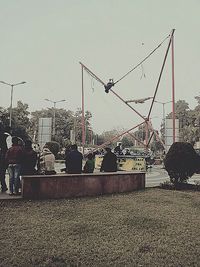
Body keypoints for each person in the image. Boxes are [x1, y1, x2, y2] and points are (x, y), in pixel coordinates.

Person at [0, 126, 12, 192]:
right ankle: (15, 187)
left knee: (1, 172)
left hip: (0, 155)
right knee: (11, 172)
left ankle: (3, 186)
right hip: (6, 156)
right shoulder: (8, 137)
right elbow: (9, 147)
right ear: (10, 131)